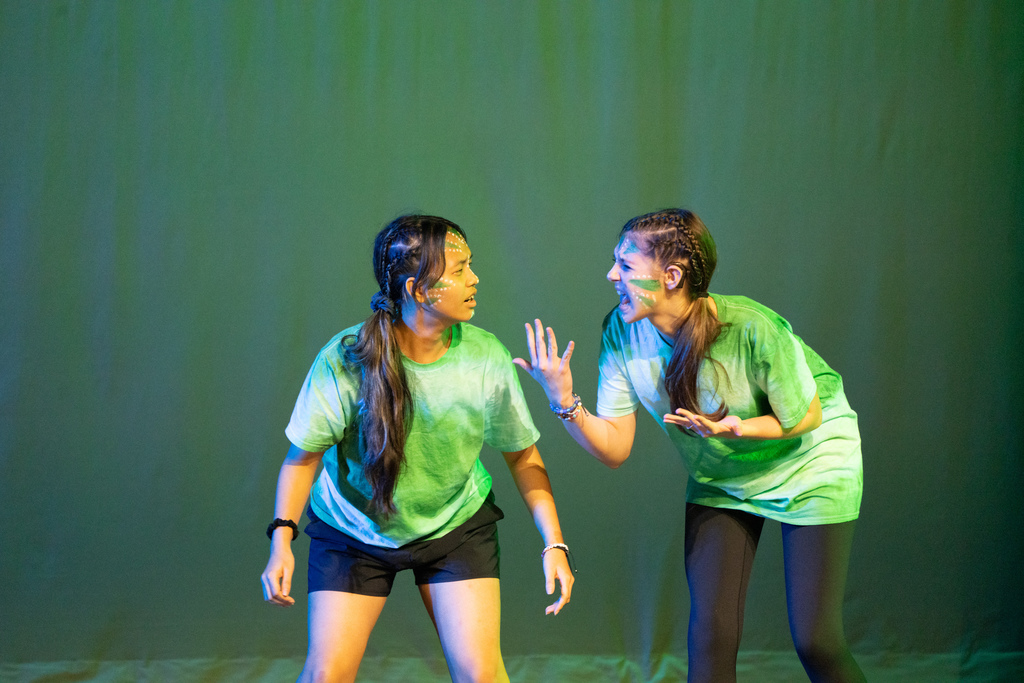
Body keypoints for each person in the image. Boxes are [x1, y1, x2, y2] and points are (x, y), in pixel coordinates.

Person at [513, 208, 864, 683]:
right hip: (722, 475)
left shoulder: (752, 328)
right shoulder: (621, 330)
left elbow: (806, 416)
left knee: (816, 642)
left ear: (672, 276)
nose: (611, 274)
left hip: (813, 462)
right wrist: (563, 400)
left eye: (626, 265)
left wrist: (735, 429)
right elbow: (615, 448)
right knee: (710, 636)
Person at [261, 215, 574, 683]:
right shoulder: (346, 358)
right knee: (325, 674)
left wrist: (555, 543)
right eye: (460, 269)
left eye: (472, 265)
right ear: (418, 289)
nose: (475, 279)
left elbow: (523, 457)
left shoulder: (485, 355)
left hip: (455, 527)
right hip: (353, 533)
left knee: (482, 675)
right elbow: (301, 459)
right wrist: (282, 540)